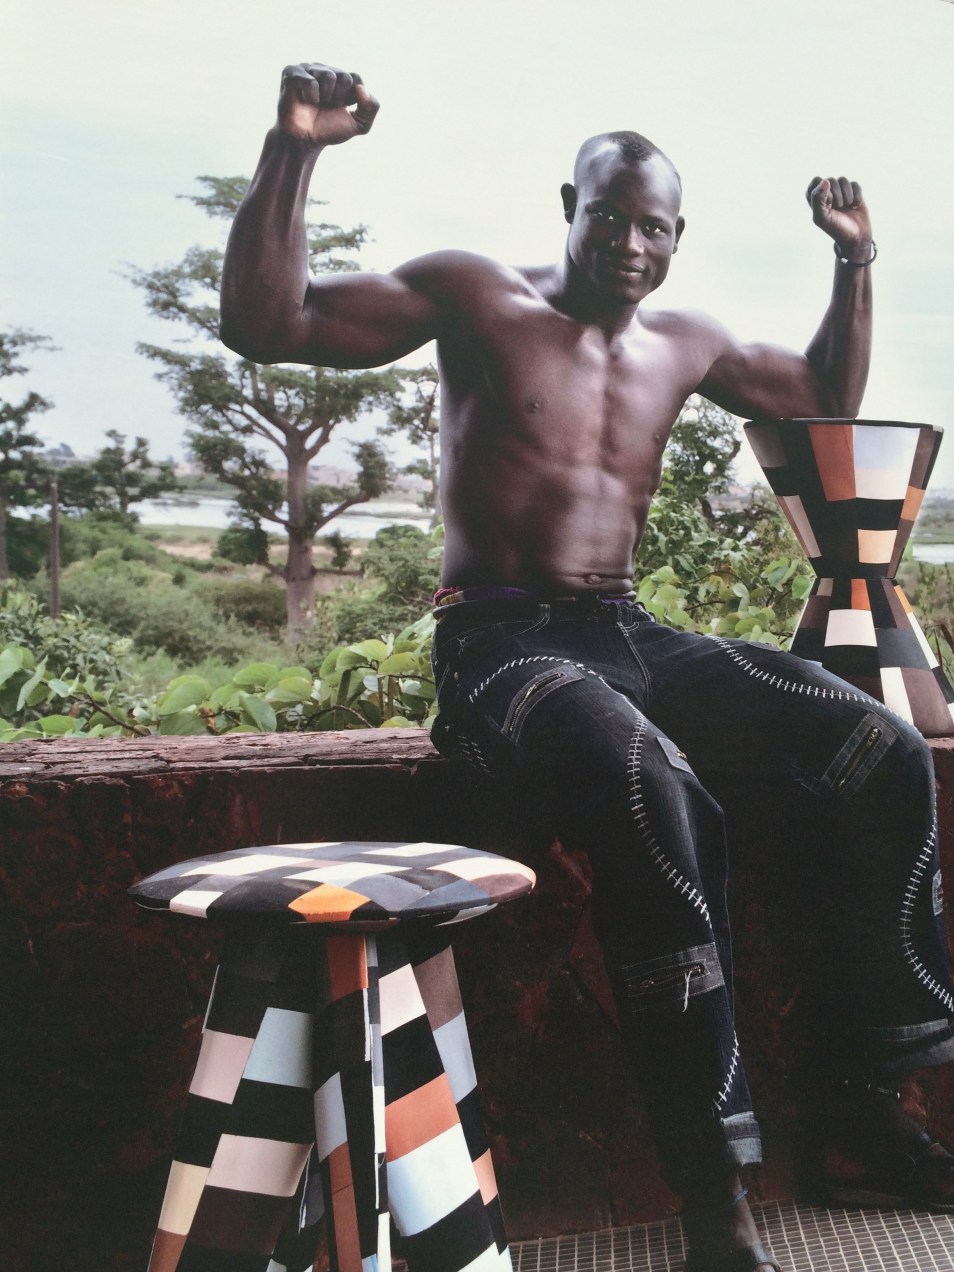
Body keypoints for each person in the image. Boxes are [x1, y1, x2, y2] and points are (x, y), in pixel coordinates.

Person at [220, 62, 954, 1272]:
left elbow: (824, 397)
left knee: (877, 745)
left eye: (653, 228)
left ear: (677, 238)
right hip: (502, 643)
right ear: (572, 206)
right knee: (645, 778)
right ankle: (712, 1191)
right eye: (609, 217)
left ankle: (868, 1101)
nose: (630, 244)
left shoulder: (684, 342)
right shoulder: (477, 296)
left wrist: (855, 260)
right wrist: (294, 147)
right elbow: (270, 323)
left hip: (626, 630)